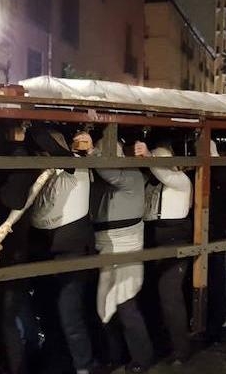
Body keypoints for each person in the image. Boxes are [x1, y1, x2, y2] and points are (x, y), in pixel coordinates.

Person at [84, 133, 153, 374]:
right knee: (104, 304)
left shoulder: (131, 175)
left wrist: (91, 153)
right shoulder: (101, 177)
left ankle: (142, 358)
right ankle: (114, 356)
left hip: (126, 246)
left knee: (125, 303)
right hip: (105, 245)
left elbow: (110, 173)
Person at [28, 128, 95, 374]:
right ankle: (57, 361)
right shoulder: (45, 168)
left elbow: (48, 144)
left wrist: (32, 124)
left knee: (70, 313)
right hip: (45, 245)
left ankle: (83, 366)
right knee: (47, 309)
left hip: (71, 248)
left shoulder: (76, 164)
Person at [0, 122, 41, 374]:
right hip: (9, 243)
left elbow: (14, 198)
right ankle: (20, 359)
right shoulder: (12, 154)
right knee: (13, 308)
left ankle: (17, 366)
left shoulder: (18, 156)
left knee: (7, 313)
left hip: (11, 245)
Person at [136, 141, 193, 365]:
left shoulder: (180, 180)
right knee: (153, 294)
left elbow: (164, 174)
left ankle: (181, 349)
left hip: (173, 238)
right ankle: (161, 343)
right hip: (152, 237)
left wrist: (149, 157)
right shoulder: (151, 182)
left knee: (170, 295)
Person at [206, 140, 226, 342]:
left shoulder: (219, 172)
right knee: (216, 277)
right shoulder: (223, 170)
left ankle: (222, 322)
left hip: (217, 231)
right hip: (217, 229)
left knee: (218, 277)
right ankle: (219, 321)